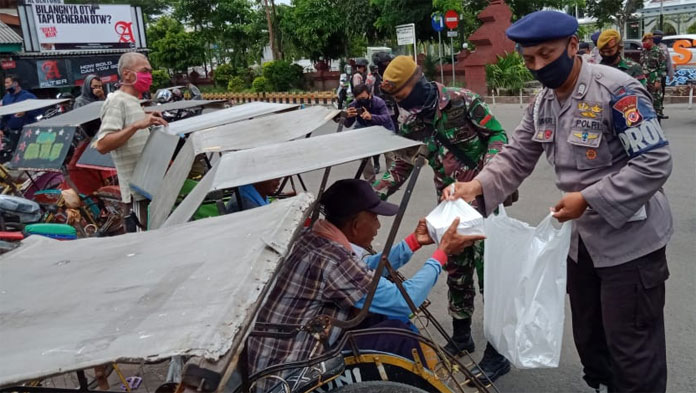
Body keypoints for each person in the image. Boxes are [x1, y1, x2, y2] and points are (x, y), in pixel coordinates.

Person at [444, 10, 672, 393]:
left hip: (631, 246)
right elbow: (516, 156)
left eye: (546, 55)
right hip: (580, 245)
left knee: (633, 350)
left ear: (572, 46)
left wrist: (589, 198)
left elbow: (654, 162)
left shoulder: (618, 91)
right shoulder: (543, 103)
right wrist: (476, 186)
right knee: (592, 342)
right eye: (529, 59)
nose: (538, 67)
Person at [246, 179, 483, 389]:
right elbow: (404, 301)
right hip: (291, 371)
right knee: (399, 335)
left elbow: (363, 268)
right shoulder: (332, 259)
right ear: (356, 225)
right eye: (375, 218)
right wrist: (442, 253)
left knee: (388, 320)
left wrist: (413, 242)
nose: (379, 226)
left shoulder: (318, 238)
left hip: (285, 348)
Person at [376, 55, 511, 382]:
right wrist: (368, 196)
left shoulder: (463, 101)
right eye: (396, 98)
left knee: (489, 276)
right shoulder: (412, 125)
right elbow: (399, 170)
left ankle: (498, 352)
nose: (402, 102)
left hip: (485, 202)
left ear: (419, 80)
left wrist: (484, 177)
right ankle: (462, 335)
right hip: (450, 210)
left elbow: (498, 136)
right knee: (457, 272)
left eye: (404, 93)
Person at [94, 52, 168, 230]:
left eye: (150, 72)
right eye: (144, 71)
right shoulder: (116, 101)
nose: (149, 76)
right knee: (143, 246)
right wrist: (137, 125)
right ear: (127, 74)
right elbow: (102, 144)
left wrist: (146, 120)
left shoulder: (132, 101)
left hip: (148, 188)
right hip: (136, 195)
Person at [344, 84, 396, 182]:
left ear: (370, 95)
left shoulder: (379, 102)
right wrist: (347, 116)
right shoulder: (354, 105)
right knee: (364, 156)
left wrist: (371, 117)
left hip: (384, 130)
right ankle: (370, 181)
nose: (362, 101)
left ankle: (391, 179)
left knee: (390, 155)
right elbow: (347, 124)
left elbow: (386, 118)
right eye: (359, 99)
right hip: (367, 132)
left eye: (364, 98)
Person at [0, 75, 40, 162]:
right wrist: (1, 128)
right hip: (13, 132)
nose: (5, 85)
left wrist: (26, 112)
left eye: (7, 83)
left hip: (28, 131)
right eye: (5, 83)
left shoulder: (28, 96)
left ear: (15, 83)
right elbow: (4, 115)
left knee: (30, 153)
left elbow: (39, 110)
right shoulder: (6, 98)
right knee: (17, 154)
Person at [641, 32, 667, 119]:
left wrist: (658, 81)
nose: (644, 43)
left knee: (656, 103)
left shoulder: (659, 51)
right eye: (643, 41)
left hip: (654, 79)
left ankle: (657, 124)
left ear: (651, 40)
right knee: (645, 102)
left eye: (646, 40)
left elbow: (662, 67)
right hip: (644, 81)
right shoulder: (643, 51)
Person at [652, 29, 673, 119]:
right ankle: (651, 111)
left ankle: (659, 111)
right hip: (651, 75)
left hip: (662, 75)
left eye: (660, 37)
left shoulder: (664, 47)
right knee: (651, 94)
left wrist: (671, 74)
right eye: (656, 36)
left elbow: (668, 61)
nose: (658, 38)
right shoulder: (649, 46)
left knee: (661, 94)